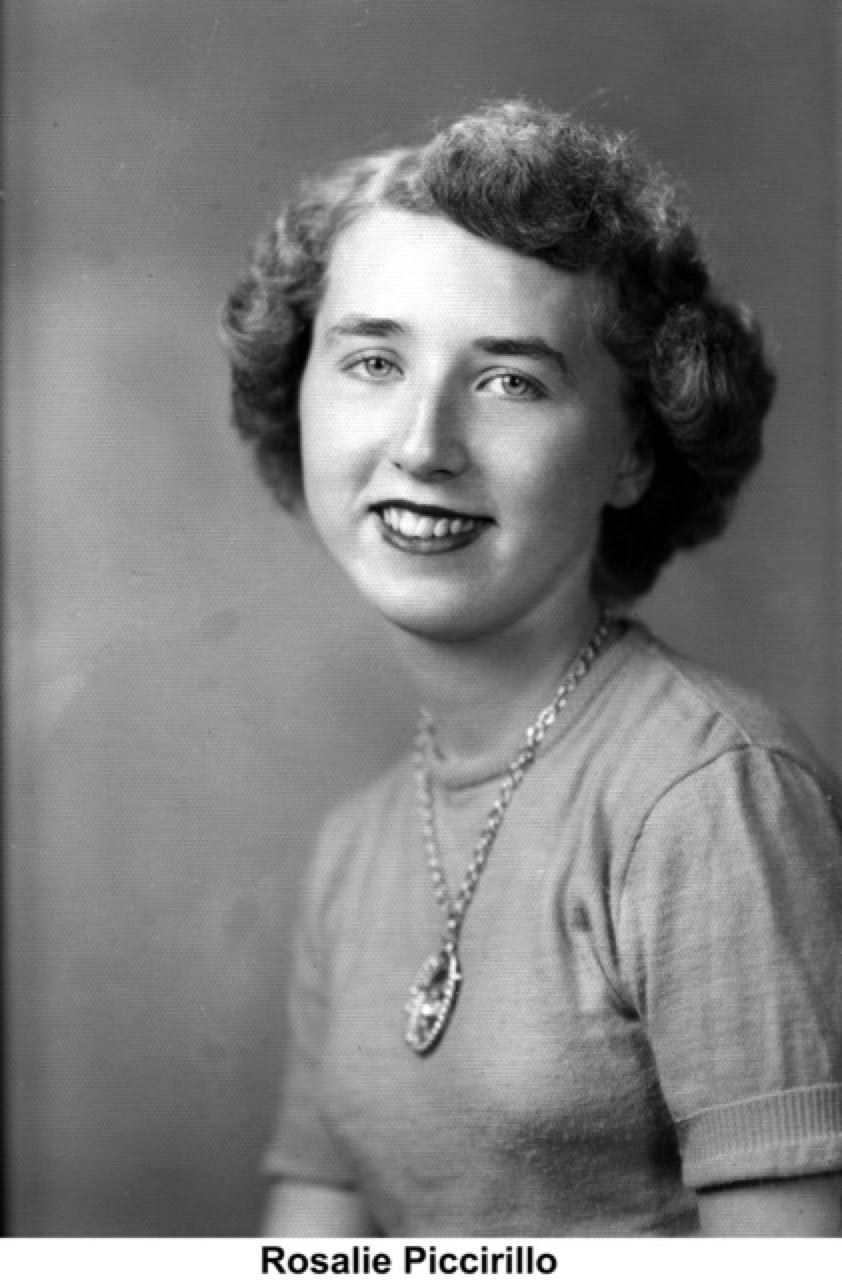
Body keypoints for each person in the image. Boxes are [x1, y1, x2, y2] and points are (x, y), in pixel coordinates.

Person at [221, 101, 842, 1236]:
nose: (422, 445)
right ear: (298, 393)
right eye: (372, 361)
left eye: (510, 380)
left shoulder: (708, 797)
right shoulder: (356, 847)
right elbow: (307, 1251)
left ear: (633, 451)